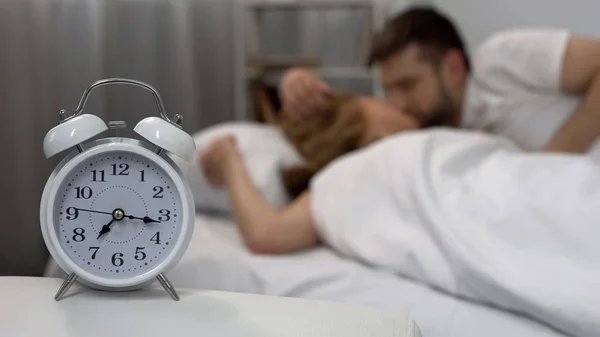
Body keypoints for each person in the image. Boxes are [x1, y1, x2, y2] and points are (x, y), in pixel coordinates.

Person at [280, 6, 600, 156]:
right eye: (390, 91)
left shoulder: (501, 60)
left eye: (408, 85)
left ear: (453, 69)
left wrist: (558, 156)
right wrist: (297, 82)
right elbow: (355, 122)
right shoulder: (435, 133)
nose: (399, 103)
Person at [199, 93, 419, 254]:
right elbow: (267, 235)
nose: (399, 102)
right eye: (387, 103)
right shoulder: (356, 171)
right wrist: (230, 162)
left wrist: (230, 163)